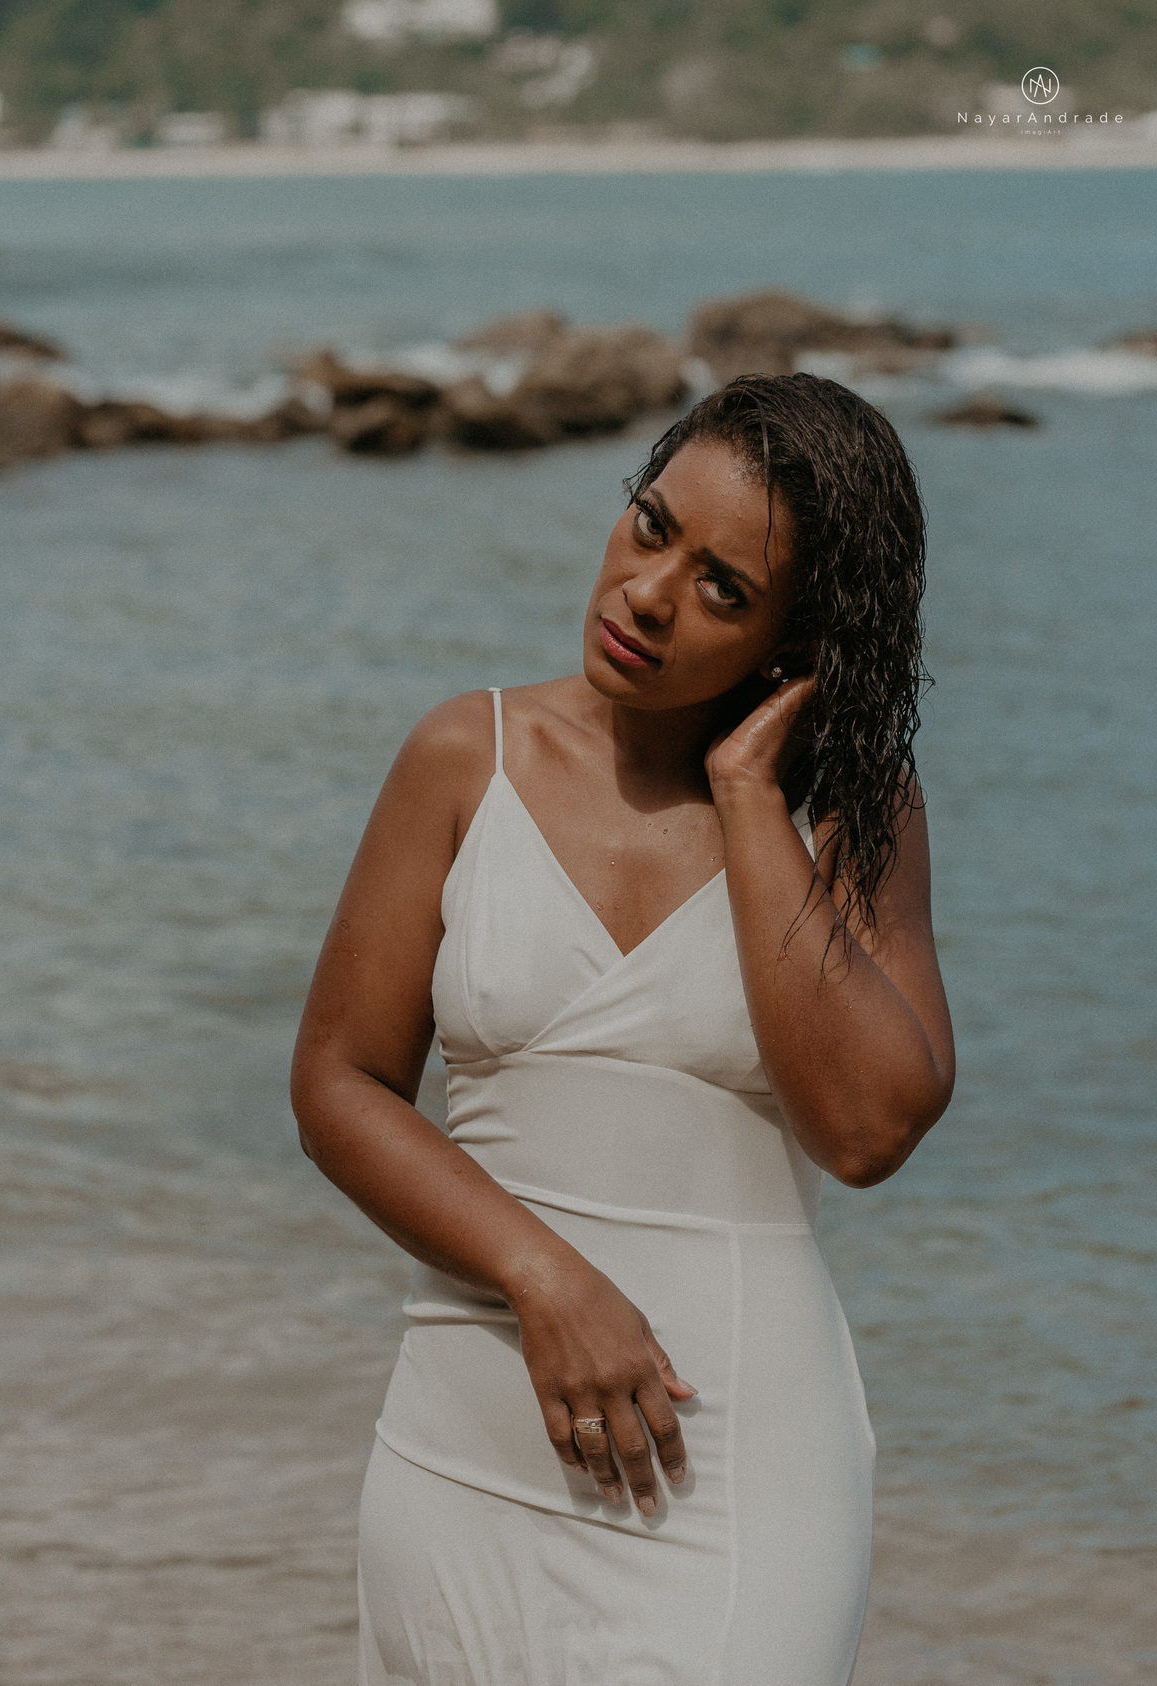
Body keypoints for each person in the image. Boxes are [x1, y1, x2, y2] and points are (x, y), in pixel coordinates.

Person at [291, 372, 955, 1686]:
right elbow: (339, 1082)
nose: (648, 594)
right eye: (653, 527)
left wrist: (750, 791)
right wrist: (543, 1276)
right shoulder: (464, 756)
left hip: (730, 1474)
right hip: (465, 1449)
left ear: (793, 640)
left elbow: (871, 1125)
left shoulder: (851, 814)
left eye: (724, 588)